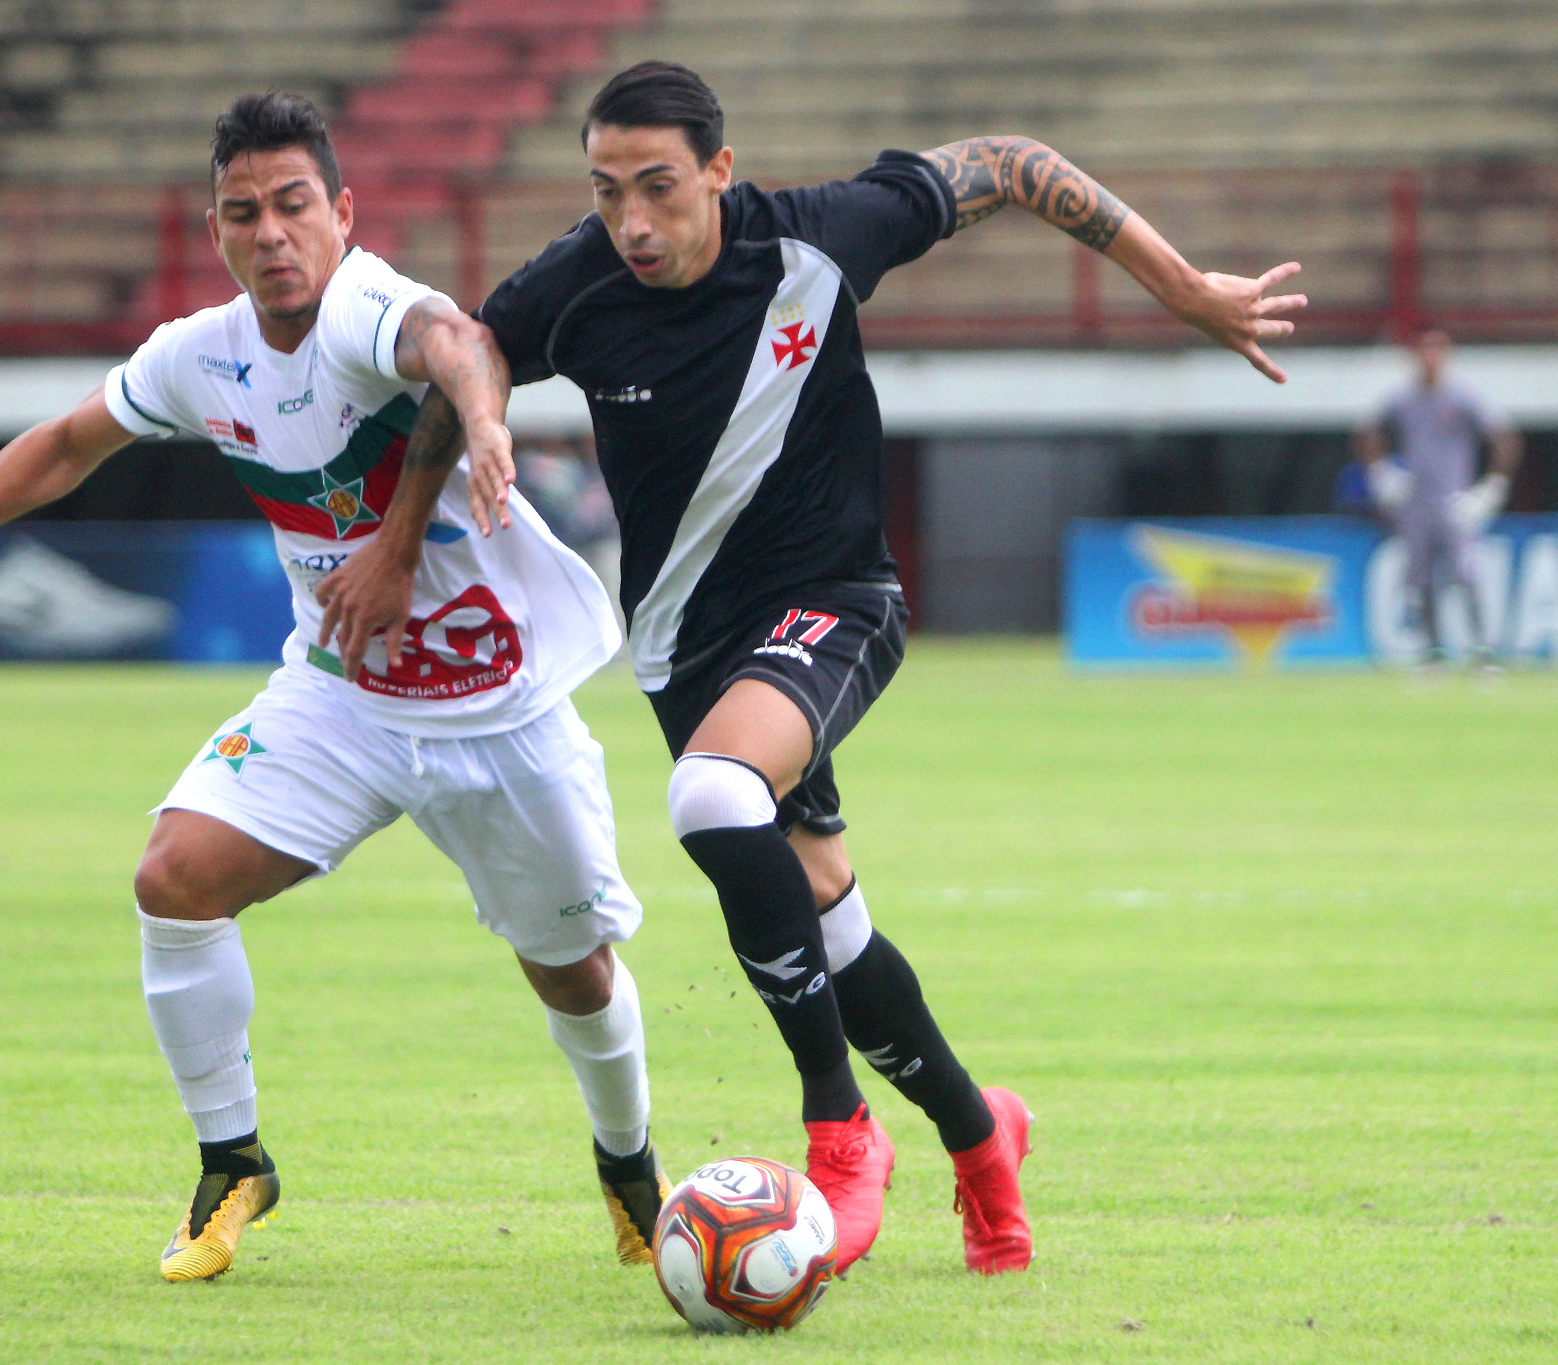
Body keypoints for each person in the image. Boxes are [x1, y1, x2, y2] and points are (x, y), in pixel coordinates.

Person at [318, 61, 1307, 1277]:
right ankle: (979, 1135)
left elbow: (1009, 162)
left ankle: (839, 1130)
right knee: (828, 921)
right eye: (606, 190)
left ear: (719, 172)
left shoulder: (820, 238)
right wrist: (403, 532)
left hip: (836, 601)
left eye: (658, 186)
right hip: (686, 648)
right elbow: (465, 356)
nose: (631, 220)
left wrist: (1182, 288)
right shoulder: (573, 287)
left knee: (710, 798)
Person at [0, 92, 670, 1283]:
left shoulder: (363, 308)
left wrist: (478, 428)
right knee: (173, 878)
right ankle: (233, 1163)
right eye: (243, 212)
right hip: (341, 696)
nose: (271, 233)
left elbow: (458, 341)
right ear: (213, 231)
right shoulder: (197, 355)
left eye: (293, 205)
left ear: (343, 213)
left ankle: (628, 1167)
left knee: (569, 969)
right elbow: (68, 442)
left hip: (498, 709)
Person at [1355, 327, 1522, 667]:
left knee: (1466, 575)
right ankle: (1432, 652)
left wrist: (1492, 487)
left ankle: (1482, 651)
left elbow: (1505, 438)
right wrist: (1382, 474)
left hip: (1454, 501)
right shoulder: (1402, 399)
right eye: (1424, 351)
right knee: (1420, 579)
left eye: (1436, 351)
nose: (1430, 358)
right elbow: (1368, 433)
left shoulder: (1463, 397)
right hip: (1416, 502)